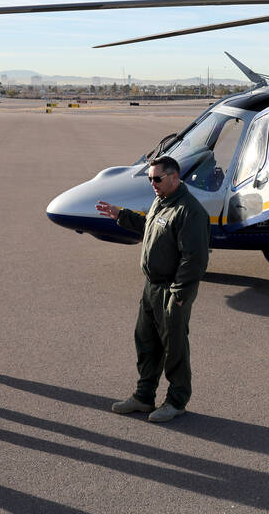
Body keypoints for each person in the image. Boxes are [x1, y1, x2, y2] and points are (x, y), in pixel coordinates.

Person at [97, 156, 209, 423]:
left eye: (157, 179)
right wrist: (121, 215)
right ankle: (144, 397)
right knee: (146, 342)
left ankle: (176, 401)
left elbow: (194, 259)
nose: (152, 184)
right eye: (149, 179)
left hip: (172, 290)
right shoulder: (162, 201)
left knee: (174, 347)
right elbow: (151, 227)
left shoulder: (189, 211)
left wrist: (179, 294)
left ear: (174, 177)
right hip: (152, 287)